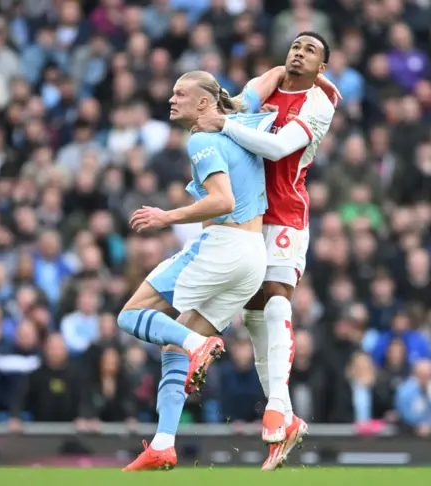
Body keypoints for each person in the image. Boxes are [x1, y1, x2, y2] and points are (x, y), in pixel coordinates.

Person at [119, 69, 281, 471]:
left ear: (204, 103)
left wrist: (166, 216)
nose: (171, 99)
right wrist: (307, 77)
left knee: (130, 315)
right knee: (173, 345)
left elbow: (223, 200)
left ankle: (199, 346)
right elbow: (270, 78)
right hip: (252, 258)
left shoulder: (203, 138)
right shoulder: (241, 116)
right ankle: (163, 443)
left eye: (180, 93)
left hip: (222, 246)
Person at [193, 31, 337, 470]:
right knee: (255, 317)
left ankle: (278, 406)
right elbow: (237, 104)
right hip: (248, 213)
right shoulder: (271, 81)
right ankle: (286, 417)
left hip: (287, 214)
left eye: (310, 50)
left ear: (321, 67)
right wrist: (221, 106)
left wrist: (226, 124)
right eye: (295, 45)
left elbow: (277, 147)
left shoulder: (321, 101)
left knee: (276, 305)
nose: (299, 52)